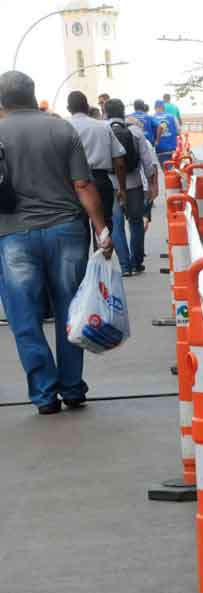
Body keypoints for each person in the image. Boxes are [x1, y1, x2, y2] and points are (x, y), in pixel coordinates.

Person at [0, 71, 112, 415]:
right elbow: (83, 184)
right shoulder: (62, 128)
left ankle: (45, 394)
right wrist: (102, 230)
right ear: (34, 95)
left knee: (24, 318)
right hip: (66, 231)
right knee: (70, 311)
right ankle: (72, 387)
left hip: (12, 235)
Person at [106, 98, 158, 277]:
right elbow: (147, 161)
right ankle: (137, 262)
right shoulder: (135, 131)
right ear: (123, 113)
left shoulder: (103, 130)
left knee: (116, 225)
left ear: (106, 113)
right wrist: (152, 184)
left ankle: (125, 266)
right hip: (134, 183)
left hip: (111, 185)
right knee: (135, 222)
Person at [67, 91, 126, 238]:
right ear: (87, 107)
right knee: (104, 229)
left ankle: (84, 260)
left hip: (72, 184)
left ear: (68, 108)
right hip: (100, 181)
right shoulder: (103, 127)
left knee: (78, 229)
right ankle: (103, 256)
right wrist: (122, 188)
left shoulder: (63, 127)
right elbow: (119, 162)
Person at [152, 100, 178, 164]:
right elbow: (178, 131)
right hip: (172, 149)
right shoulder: (172, 117)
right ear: (163, 107)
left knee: (164, 170)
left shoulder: (152, 118)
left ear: (155, 108)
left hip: (159, 150)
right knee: (171, 169)